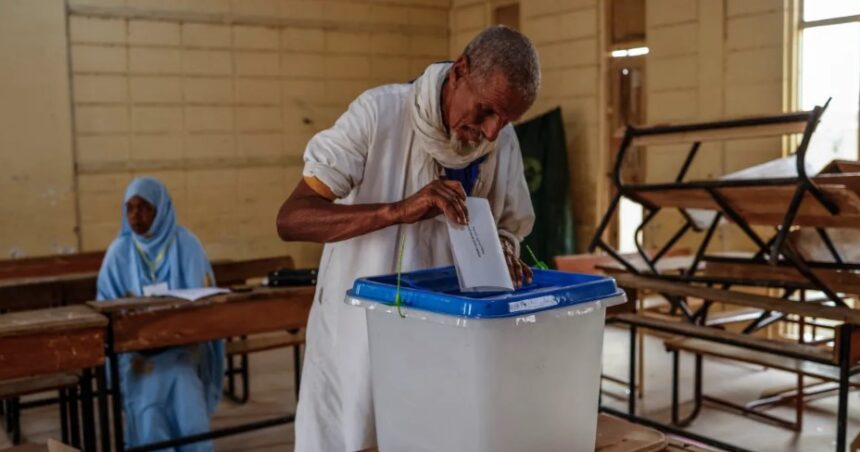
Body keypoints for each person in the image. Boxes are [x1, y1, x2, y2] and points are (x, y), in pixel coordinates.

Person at [276, 25, 541, 451]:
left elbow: (508, 224)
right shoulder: (379, 115)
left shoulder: (500, 143)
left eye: (507, 120)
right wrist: (396, 211)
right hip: (359, 339)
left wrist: (505, 253)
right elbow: (292, 219)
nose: (492, 132)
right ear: (459, 72)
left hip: (445, 339)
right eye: (487, 111)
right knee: (358, 434)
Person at [96, 177, 224, 451]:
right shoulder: (118, 253)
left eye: (144, 208)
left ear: (161, 209)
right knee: (148, 392)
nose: (135, 216)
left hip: (182, 347)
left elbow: (204, 301)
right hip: (137, 353)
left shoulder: (186, 243)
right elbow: (105, 307)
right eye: (129, 208)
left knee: (182, 380)